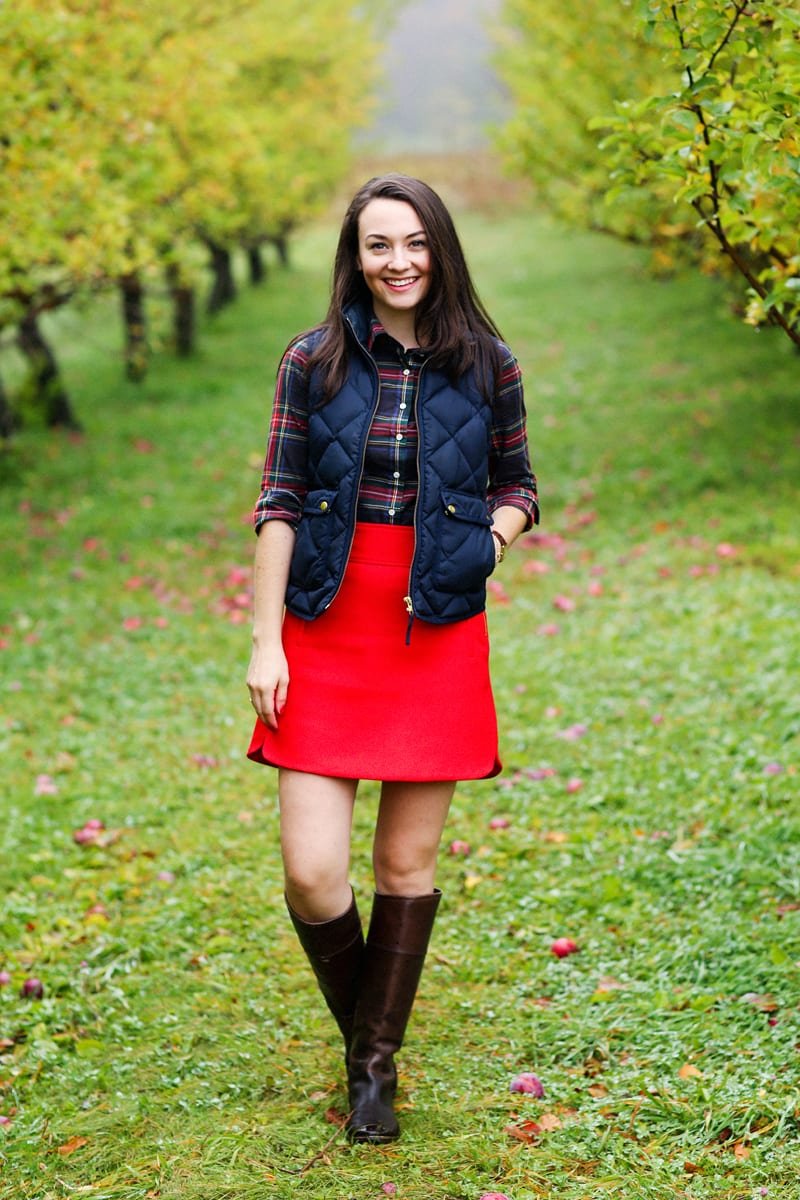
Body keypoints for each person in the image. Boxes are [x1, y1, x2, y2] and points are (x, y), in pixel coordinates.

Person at [245, 174, 538, 1144]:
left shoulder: (488, 364)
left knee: (404, 862)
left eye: (414, 242)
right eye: (378, 244)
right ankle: (369, 1043)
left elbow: (519, 484)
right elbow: (280, 500)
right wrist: (266, 640)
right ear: (356, 256)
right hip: (328, 623)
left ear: (439, 249)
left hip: (435, 629)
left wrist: (486, 542)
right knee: (311, 872)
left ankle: (371, 1067)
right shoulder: (312, 362)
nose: (398, 261)